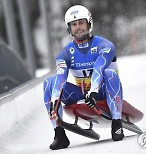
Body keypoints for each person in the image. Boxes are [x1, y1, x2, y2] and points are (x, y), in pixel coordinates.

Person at [43, 5, 124, 150]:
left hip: (104, 91)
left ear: (89, 23)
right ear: (69, 28)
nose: (78, 27)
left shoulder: (105, 45)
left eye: (81, 22)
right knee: (49, 83)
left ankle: (117, 124)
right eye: (74, 24)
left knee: (109, 73)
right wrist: (55, 102)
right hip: (83, 93)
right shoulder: (65, 53)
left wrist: (93, 90)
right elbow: (60, 78)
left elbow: (99, 67)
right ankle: (59, 134)